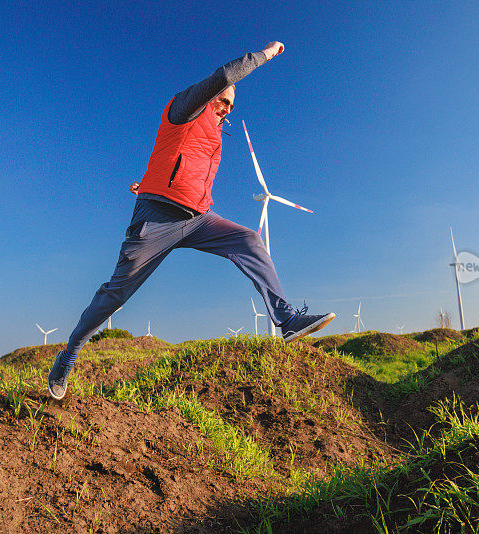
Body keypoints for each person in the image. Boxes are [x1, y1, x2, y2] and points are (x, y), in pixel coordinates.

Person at [47, 41, 335, 400]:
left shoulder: (215, 135)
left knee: (249, 240)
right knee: (116, 294)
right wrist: (264, 55)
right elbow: (224, 77)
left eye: (230, 105)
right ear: (207, 96)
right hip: (157, 220)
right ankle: (69, 354)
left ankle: (287, 320)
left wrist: (147, 181)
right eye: (221, 99)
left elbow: (176, 162)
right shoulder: (182, 108)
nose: (226, 107)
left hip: (200, 218)